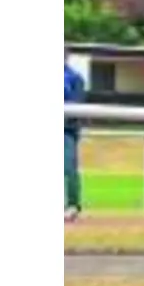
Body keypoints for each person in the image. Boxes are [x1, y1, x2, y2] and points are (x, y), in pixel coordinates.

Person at [64, 60, 86, 222]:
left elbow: (76, 106)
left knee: (69, 167)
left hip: (67, 131)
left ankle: (73, 205)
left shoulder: (74, 78)